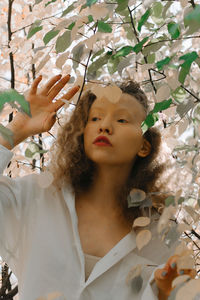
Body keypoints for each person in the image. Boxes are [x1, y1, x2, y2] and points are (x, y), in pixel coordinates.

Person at [0, 74, 195, 300]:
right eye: (94, 118)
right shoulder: (36, 197)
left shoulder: (160, 237)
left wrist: (166, 293)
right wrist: (16, 130)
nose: (104, 126)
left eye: (122, 120)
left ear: (144, 146)